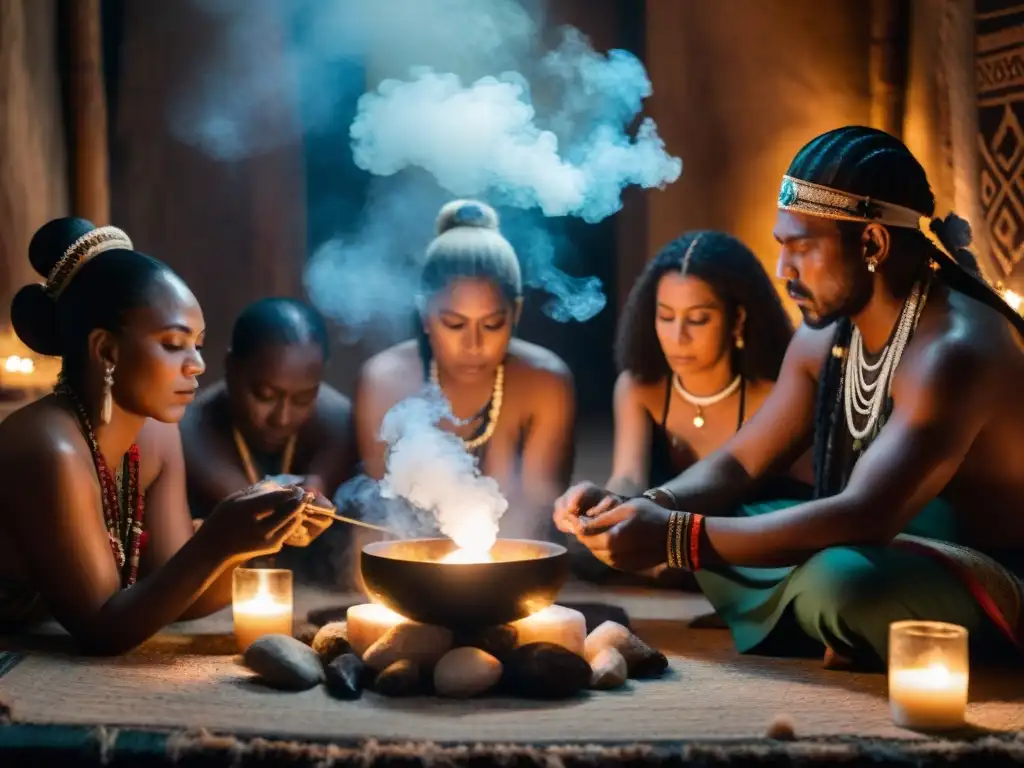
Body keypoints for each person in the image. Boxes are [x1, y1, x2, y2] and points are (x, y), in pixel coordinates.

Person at [557, 126, 1024, 669]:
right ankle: (842, 627)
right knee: (735, 518)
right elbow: (738, 462)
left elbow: (866, 514)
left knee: (839, 583)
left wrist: (677, 540)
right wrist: (650, 506)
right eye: (783, 248)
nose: (783, 271)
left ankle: (843, 619)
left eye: (802, 248)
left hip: (986, 573)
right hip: (880, 543)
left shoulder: (955, 351)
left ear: (872, 243)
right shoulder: (823, 338)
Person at [0, 218, 333, 654]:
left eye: (198, 343)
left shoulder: (156, 435)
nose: (196, 364)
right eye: (174, 343)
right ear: (106, 350)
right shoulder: (51, 447)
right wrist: (217, 537)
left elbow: (173, 596)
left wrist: (260, 537)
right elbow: (101, 629)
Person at [571, 231, 812, 586]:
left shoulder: (778, 394)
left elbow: (811, 502)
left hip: (750, 556)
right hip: (664, 557)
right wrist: (602, 506)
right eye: (666, 317)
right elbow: (629, 479)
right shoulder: (639, 387)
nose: (678, 336)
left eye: (698, 319)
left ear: (738, 319)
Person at [355, 199, 575, 541]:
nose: (473, 344)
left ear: (515, 313)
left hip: (507, 560)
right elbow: (380, 514)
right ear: (426, 315)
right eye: (454, 324)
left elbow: (537, 516)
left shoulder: (544, 382)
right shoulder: (385, 380)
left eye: (492, 324)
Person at [181, 297, 355, 521]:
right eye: (265, 396)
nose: (281, 418)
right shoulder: (191, 428)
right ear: (231, 367)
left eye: (303, 399)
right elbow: (251, 509)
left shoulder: (339, 421)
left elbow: (322, 489)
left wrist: (319, 485)